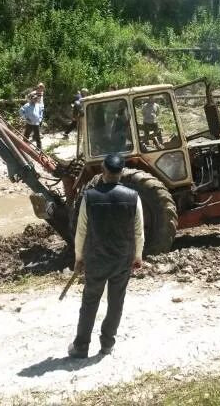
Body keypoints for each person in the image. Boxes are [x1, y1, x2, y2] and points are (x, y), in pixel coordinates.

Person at [69, 153, 144, 358]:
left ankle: (81, 346)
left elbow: (81, 231)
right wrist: (137, 255)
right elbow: (138, 230)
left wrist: (79, 258)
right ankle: (107, 344)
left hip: (96, 258)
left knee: (90, 302)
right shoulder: (133, 197)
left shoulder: (90, 197)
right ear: (122, 173)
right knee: (116, 302)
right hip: (122, 258)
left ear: (103, 171)